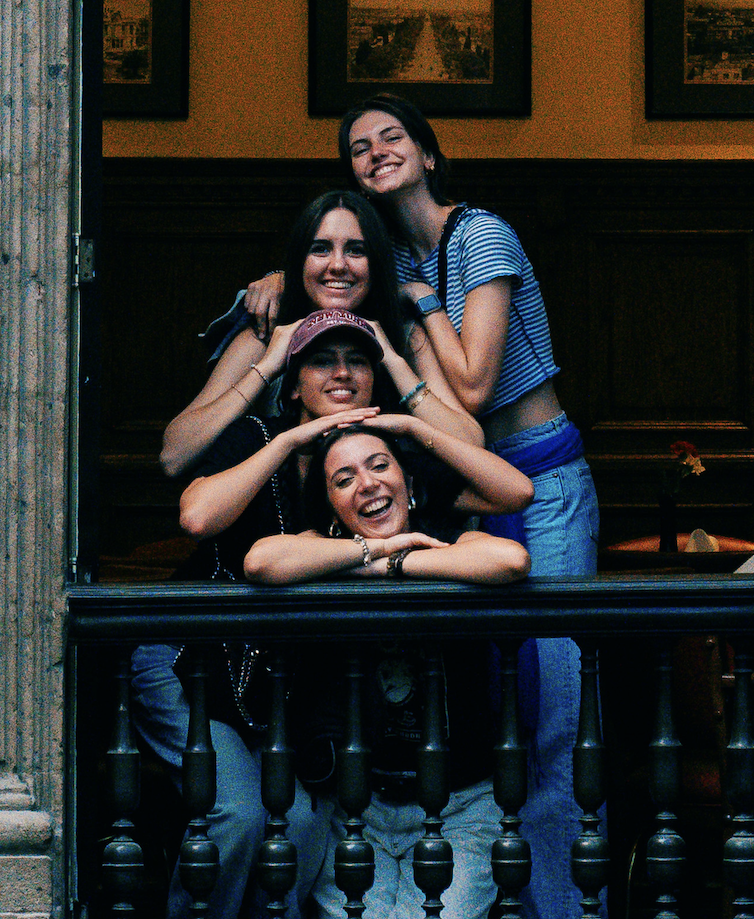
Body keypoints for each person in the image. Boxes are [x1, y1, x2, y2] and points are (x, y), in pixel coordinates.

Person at [247, 94, 598, 919]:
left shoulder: (478, 235)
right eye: (358, 147)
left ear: (430, 154)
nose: (375, 152)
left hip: (538, 479)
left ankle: (567, 910)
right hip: (459, 480)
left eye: (391, 138)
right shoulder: (393, 255)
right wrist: (274, 278)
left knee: (555, 718)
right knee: (499, 696)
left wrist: (422, 304)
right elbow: (331, 283)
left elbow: (471, 386)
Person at [131, 307, 517, 919]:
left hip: (272, 691)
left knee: (302, 829)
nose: (342, 373)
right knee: (239, 814)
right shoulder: (260, 439)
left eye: (357, 359)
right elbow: (217, 531)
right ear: (293, 383)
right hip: (197, 667)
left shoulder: (387, 466)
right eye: (321, 360)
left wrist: (411, 435)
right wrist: (293, 439)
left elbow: (513, 498)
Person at [245, 424, 529, 919]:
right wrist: (373, 554)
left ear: (409, 483)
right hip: (360, 811)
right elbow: (262, 561)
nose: (368, 484)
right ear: (331, 504)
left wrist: (402, 563)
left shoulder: (442, 533)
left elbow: (509, 560)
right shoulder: (327, 550)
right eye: (344, 478)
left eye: (380, 465)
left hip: (460, 808)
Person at [162, 190, 481, 481]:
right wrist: (268, 366)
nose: (338, 265)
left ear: (377, 264)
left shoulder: (404, 334)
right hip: (285, 529)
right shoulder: (266, 331)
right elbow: (174, 456)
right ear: (300, 262)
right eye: (320, 249)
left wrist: (393, 359)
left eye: (356, 250)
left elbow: (472, 447)